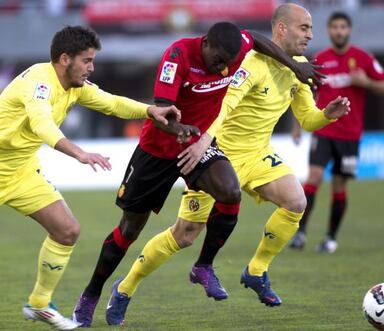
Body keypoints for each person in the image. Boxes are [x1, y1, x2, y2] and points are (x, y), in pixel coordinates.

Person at [100, 3, 350, 319]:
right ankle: (125, 288)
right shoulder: (248, 64)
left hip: (258, 154)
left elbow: (307, 118)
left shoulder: (299, 67)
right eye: (304, 28)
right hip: (219, 157)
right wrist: (203, 143)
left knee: (296, 201)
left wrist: (326, 115)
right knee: (185, 235)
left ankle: (256, 271)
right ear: (282, 29)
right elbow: (224, 108)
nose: (310, 35)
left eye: (311, 29)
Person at [0, 25, 180, 330]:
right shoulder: (38, 83)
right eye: (86, 60)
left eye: (93, 60)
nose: (91, 67)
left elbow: (111, 103)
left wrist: (150, 110)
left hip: (19, 171)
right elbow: (42, 125)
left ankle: (40, 304)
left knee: (67, 231)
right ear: (65, 58)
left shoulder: (76, 86)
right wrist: (79, 153)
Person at [289, 11, 384, 253]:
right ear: (328, 30)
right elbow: (307, 94)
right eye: (334, 27)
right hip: (324, 130)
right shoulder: (320, 58)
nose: (338, 31)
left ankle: (330, 238)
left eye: (343, 27)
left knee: (339, 186)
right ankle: (300, 233)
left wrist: (365, 82)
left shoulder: (364, 58)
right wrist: (297, 125)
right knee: (313, 178)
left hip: (350, 135)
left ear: (349, 30)